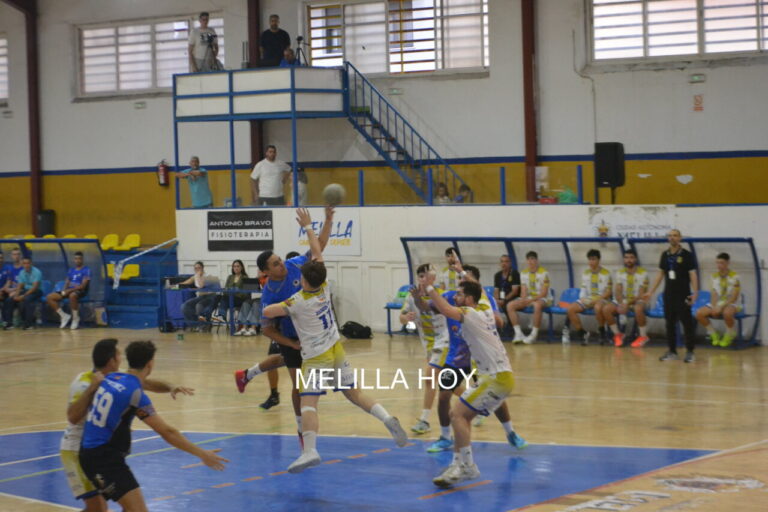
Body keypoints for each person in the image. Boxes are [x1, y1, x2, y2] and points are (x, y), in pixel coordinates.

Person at [263, 208, 407, 473]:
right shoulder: (325, 287)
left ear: (303, 280)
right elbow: (317, 252)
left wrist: (282, 302)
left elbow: (266, 312)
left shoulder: (296, 302)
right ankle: (387, 419)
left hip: (316, 357)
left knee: (308, 403)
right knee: (354, 393)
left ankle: (310, 451)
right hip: (336, 348)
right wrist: (311, 226)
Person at [79, 341, 227, 510]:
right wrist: (202, 453)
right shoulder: (135, 394)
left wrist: (171, 386)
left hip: (90, 453)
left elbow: (145, 384)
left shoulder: (113, 377)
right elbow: (167, 432)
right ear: (150, 364)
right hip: (103, 459)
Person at [60, 338, 193, 512]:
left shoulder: (117, 377)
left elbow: (145, 383)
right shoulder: (83, 382)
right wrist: (92, 389)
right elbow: (72, 417)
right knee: (98, 507)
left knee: (126, 505)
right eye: (119, 355)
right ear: (111, 361)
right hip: (76, 450)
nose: (122, 358)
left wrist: (171, 387)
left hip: (98, 451)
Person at [234, 207, 335, 433]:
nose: (281, 264)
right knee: (298, 385)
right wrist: (290, 344)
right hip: (291, 336)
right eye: (276, 264)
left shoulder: (294, 264)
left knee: (279, 360)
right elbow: (266, 329)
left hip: (311, 335)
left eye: (280, 260)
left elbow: (318, 246)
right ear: (265, 271)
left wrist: (328, 220)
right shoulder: (270, 295)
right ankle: (301, 430)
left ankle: (246, 374)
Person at [424, 278, 517, 488]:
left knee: (458, 415)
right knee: (459, 417)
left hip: (495, 378)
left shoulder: (470, 314)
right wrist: (460, 270)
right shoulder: (484, 308)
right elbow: (481, 290)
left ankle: (468, 466)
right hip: (497, 377)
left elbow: (446, 310)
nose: (455, 297)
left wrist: (429, 287)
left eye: (459, 294)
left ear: (468, 299)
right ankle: (458, 465)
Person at [400, 263, 448, 435]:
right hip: (428, 345)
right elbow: (401, 317)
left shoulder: (440, 295)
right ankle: (476, 404)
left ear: (433, 278)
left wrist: (418, 303)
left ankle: (425, 420)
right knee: (448, 383)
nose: (423, 279)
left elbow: (427, 307)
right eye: (420, 276)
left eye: (426, 276)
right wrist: (407, 318)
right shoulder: (410, 296)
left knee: (429, 377)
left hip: (443, 341)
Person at [644, 229, 699, 363]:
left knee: (687, 324)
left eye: (675, 235)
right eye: (670, 236)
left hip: (683, 294)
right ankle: (672, 351)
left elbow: (692, 274)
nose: (672, 238)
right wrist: (651, 291)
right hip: (669, 295)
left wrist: (695, 292)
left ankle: (690, 352)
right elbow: (660, 274)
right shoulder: (665, 255)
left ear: (680, 238)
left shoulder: (687, 255)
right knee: (669, 324)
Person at [604, 249, 650, 348]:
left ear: (635, 259)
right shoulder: (620, 273)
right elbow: (618, 291)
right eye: (626, 257)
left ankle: (643, 336)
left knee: (638, 309)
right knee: (606, 309)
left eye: (631, 257)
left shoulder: (643, 273)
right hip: (623, 301)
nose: (629, 260)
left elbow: (641, 294)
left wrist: (627, 304)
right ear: (624, 260)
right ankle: (618, 334)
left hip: (639, 300)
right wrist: (622, 303)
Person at [567, 249, 613, 345]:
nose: (591, 262)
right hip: (589, 298)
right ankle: (582, 333)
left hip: (602, 299)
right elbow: (583, 288)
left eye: (594, 259)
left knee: (598, 307)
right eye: (590, 259)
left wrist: (597, 299)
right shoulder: (586, 273)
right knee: (571, 309)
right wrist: (582, 298)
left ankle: (601, 330)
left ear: (599, 260)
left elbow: (608, 292)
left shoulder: (606, 273)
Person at [695, 252, 742, 347]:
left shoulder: (735, 276)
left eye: (721, 263)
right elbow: (714, 293)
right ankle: (713, 333)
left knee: (727, 313)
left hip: (732, 303)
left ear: (728, 263)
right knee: (699, 313)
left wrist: (721, 307)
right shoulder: (714, 276)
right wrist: (714, 306)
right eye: (717, 263)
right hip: (718, 303)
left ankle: (730, 333)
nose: (719, 265)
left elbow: (734, 297)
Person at [506, 251, 552, 344]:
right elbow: (523, 290)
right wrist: (523, 299)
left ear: (536, 261)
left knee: (537, 305)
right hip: (529, 298)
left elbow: (544, 293)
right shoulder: (523, 273)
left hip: (543, 298)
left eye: (532, 259)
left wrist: (531, 300)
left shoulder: (544, 273)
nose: (530, 261)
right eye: (528, 259)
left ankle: (534, 334)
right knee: (510, 305)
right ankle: (518, 333)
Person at [47, 251, 91, 330]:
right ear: (74, 260)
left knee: (72, 295)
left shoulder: (86, 270)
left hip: (80, 291)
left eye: (79, 259)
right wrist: (63, 291)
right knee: (50, 297)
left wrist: (69, 291)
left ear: (82, 260)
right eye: (76, 259)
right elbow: (67, 282)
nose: (77, 260)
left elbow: (82, 286)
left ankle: (75, 318)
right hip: (69, 290)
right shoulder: (71, 270)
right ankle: (64, 316)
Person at [211, 260, 252, 333]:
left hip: (240, 299)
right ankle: (219, 315)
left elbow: (246, 294)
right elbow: (226, 289)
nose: (236, 268)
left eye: (237, 266)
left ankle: (221, 315)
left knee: (225, 298)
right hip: (229, 298)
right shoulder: (230, 277)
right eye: (234, 266)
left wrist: (235, 292)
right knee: (218, 297)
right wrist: (230, 291)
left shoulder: (245, 277)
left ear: (241, 267)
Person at [2, 256, 42, 330]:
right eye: (24, 263)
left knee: (27, 299)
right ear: (22, 264)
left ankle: (28, 324)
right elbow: (20, 286)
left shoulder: (37, 272)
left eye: (28, 263)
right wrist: (16, 295)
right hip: (25, 290)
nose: (26, 265)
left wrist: (23, 296)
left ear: (31, 264)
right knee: (9, 300)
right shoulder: (22, 272)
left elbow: (34, 287)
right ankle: (9, 324)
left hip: (37, 291)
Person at [179, 261, 218, 328]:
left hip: (211, 297)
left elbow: (201, 285)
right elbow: (185, 283)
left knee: (199, 305)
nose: (197, 270)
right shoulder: (196, 276)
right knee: (184, 306)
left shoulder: (208, 276)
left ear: (203, 268)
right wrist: (174, 285)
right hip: (201, 297)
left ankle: (204, 324)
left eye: (199, 268)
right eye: (196, 268)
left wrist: (198, 276)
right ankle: (196, 324)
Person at [493, 254, 521, 326]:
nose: (504, 264)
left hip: (513, 298)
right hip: (502, 299)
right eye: (502, 262)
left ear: (510, 263)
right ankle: (496, 326)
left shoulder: (514, 273)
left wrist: (504, 300)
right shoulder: (497, 275)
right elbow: (496, 290)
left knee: (507, 305)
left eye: (506, 261)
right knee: (491, 304)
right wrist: (496, 300)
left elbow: (515, 291)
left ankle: (512, 326)